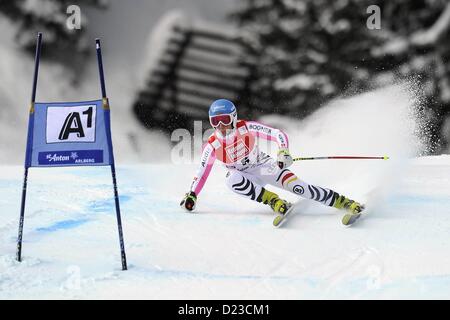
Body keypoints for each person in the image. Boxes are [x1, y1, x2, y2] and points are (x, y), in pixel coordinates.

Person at [180, 99, 364, 225]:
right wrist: (192, 195)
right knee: (231, 179)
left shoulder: (247, 127)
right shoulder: (212, 145)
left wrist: (283, 151)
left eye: (225, 120)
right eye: (215, 121)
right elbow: (201, 173)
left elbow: (277, 134)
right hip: (245, 177)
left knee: (299, 188)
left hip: (265, 167)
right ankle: (274, 202)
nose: (221, 126)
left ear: (233, 118)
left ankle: (345, 203)